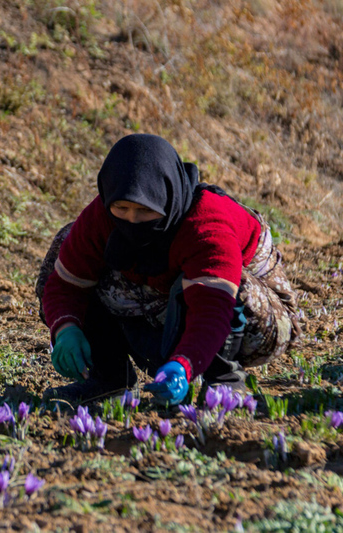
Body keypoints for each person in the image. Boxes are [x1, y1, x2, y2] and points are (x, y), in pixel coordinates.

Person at [37, 133, 301, 405]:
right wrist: (66, 327)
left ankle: (224, 380)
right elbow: (64, 285)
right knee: (65, 246)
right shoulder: (102, 215)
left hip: (254, 320)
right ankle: (108, 378)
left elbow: (212, 309)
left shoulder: (207, 225)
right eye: (122, 207)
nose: (132, 219)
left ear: (165, 198)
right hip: (166, 302)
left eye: (144, 210)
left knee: (230, 286)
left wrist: (184, 365)